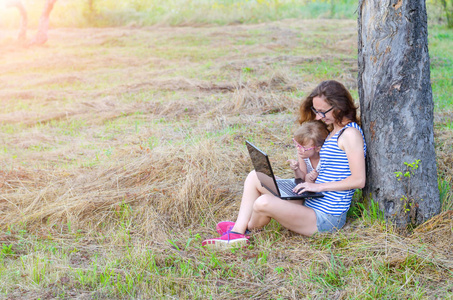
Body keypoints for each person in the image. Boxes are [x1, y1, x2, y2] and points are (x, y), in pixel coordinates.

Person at [202, 80, 367, 249]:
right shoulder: (333, 130)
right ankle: (239, 230)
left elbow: (359, 180)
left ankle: (241, 231)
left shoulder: (350, 134)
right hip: (310, 200)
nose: (318, 117)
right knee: (255, 177)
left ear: (339, 106)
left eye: (323, 111)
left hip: (326, 217)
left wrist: (319, 187)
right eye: (316, 111)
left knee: (263, 203)